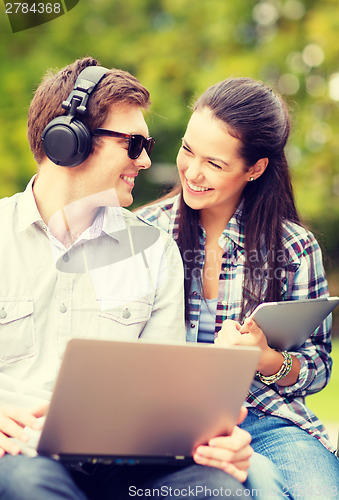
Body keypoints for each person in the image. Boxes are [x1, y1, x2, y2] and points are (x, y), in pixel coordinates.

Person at [0, 57, 287, 500]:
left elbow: (166, 402)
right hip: (20, 460)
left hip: (126, 464)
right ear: (68, 142)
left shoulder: (155, 251)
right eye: (133, 144)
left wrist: (214, 442)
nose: (147, 159)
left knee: (217, 490)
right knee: (29, 484)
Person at [137, 76, 339, 499]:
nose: (192, 172)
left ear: (255, 168)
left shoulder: (293, 249)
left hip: (270, 420)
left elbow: (318, 366)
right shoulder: (145, 233)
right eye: (188, 150)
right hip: (172, 423)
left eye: (215, 163)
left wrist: (266, 360)